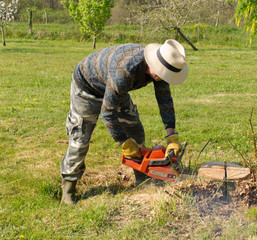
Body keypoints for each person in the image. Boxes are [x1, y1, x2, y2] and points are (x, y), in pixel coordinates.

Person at [60, 39, 188, 204]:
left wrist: (172, 137)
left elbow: (165, 102)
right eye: (162, 73)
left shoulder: (162, 67)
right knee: (80, 139)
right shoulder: (125, 70)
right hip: (88, 87)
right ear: (153, 64)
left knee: (135, 130)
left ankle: (143, 177)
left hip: (114, 89)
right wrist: (123, 142)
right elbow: (107, 112)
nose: (163, 77)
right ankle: (68, 189)